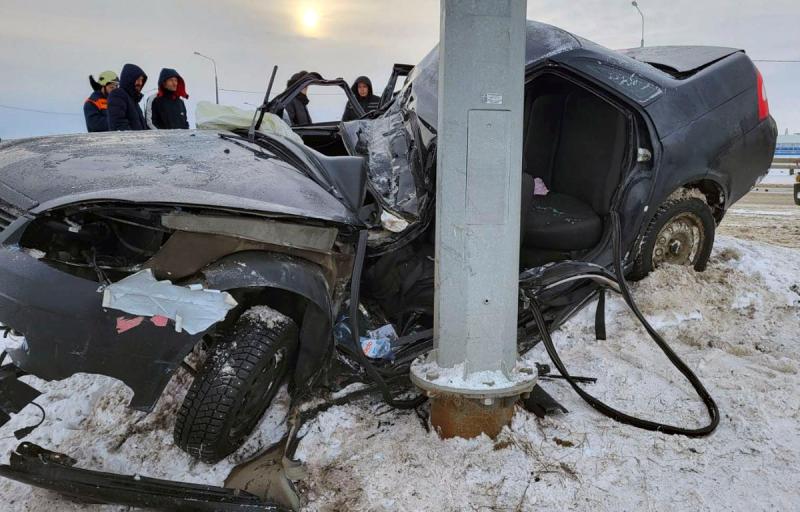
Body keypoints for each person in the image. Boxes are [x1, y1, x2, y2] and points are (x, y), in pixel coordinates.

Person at [107, 63, 148, 131]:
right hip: (128, 141)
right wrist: (136, 140)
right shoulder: (117, 94)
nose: (140, 83)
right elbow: (118, 125)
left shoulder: (133, 100)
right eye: (137, 79)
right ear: (129, 78)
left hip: (140, 141)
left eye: (142, 80)